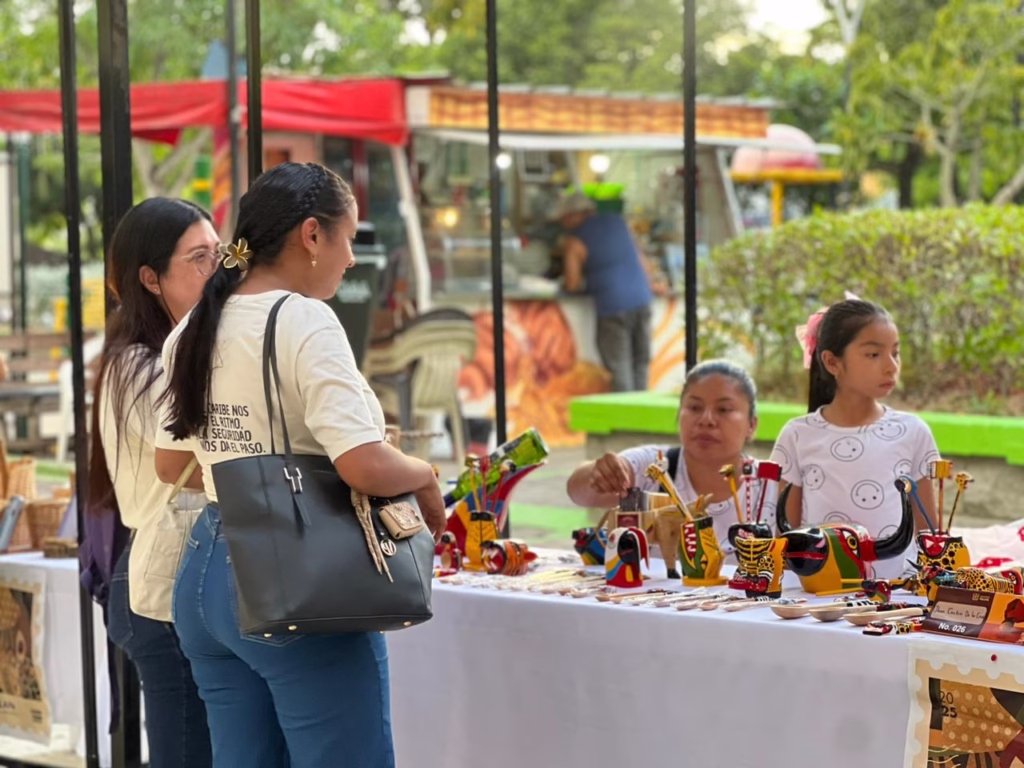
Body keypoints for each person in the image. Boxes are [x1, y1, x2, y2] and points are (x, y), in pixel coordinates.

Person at [154, 162, 446, 768]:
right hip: (289, 574)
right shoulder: (302, 318)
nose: (351, 259)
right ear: (312, 235)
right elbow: (363, 465)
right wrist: (423, 472)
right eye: (348, 238)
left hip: (206, 575)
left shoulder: (194, 326)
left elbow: (169, 460)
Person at [89, 198, 218, 767]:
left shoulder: (166, 355)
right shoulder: (139, 364)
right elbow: (200, 454)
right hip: (157, 581)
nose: (216, 271)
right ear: (150, 278)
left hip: (167, 574)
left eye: (219, 254)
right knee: (185, 750)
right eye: (198, 259)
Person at [769, 298, 939, 580]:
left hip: (897, 598)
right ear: (832, 361)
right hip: (818, 596)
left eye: (895, 353)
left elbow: (931, 537)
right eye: (873, 355)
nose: (890, 366)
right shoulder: (797, 436)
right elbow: (786, 536)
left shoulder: (913, 432)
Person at [566, 360, 769, 557]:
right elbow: (579, 491)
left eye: (723, 409)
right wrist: (600, 474)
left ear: (752, 425)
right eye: (694, 407)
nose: (706, 420)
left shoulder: (771, 486)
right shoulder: (653, 467)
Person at [554, 192, 659, 393]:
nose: (562, 223)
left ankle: (625, 421)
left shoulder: (574, 240)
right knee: (640, 363)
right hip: (641, 299)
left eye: (564, 218)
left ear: (573, 215)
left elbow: (572, 283)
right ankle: (641, 417)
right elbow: (642, 261)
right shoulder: (619, 223)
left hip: (613, 307)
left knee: (619, 367)